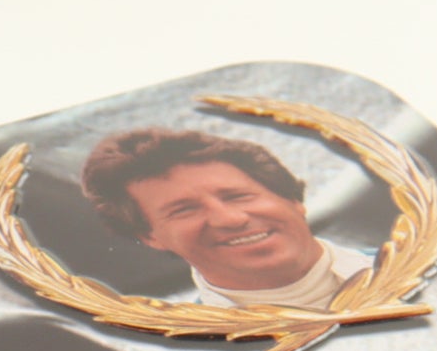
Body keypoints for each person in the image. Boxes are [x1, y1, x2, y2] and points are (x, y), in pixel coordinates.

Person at [81, 127, 372, 311]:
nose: (229, 219)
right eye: (184, 210)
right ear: (150, 236)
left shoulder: (401, 268)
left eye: (238, 196)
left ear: (293, 200)